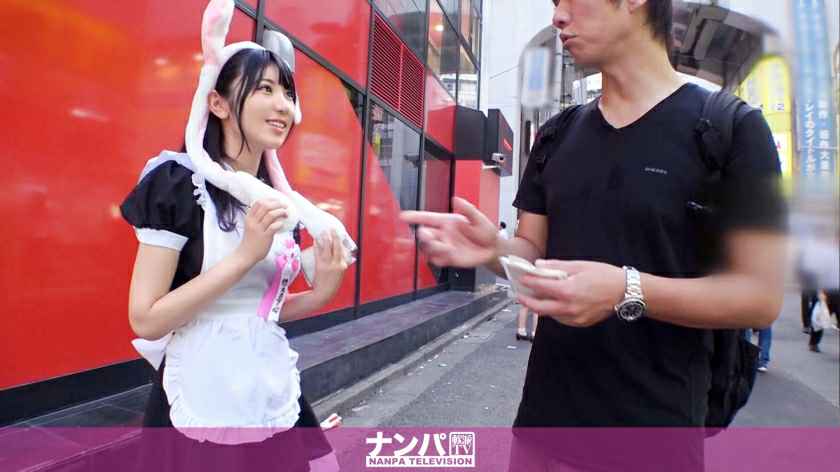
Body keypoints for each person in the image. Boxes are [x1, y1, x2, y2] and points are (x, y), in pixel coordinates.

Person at [401, 0, 786, 470]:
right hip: (542, 430)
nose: (558, 17)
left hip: (656, 440)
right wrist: (494, 250)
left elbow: (759, 296)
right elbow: (534, 253)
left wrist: (626, 289)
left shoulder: (731, 129)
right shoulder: (556, 135)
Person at [120, 1, 354, 469]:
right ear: (218, 103)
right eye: (265, 89)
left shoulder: (277, 201)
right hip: (197, 399)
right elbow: (145, 319)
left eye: (287, 92)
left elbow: (258, 314)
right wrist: (245, 255)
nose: (283, 105)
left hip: (267, 390)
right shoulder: (179, 185)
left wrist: (321, 293)